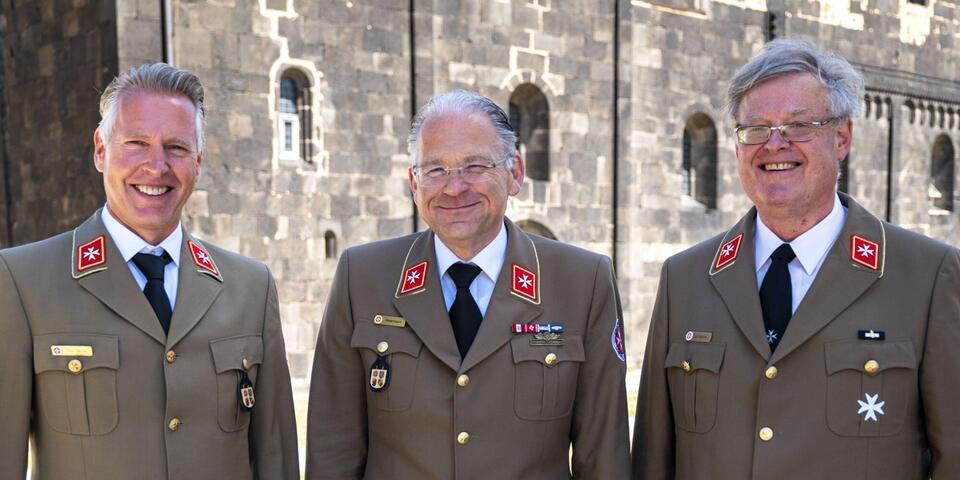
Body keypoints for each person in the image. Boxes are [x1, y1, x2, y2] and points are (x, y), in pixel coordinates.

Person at [631, 38, 960, 479]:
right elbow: (654, 460)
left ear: (841, 137)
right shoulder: (685, 278)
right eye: (756, 129)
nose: (774, 144)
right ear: (737, 146)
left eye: (798, 126)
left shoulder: (927, 276)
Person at [306, 90, 630, 479]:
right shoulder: (363, 276)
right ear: (414, 182)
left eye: (475, 166)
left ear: (515, 173)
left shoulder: (582, 281)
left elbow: (603, 457)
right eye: (436, 169)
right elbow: (333, 448)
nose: (454, 187)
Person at [0, 63, 299, 480]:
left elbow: (276, 458)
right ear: (101, 150)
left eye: (176, 147)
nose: (156, 166)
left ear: (199, 161)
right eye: (136, 143)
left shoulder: (251, 287)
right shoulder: (23, 281)